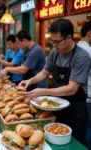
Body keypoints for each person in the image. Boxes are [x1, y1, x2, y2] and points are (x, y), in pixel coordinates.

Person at [19, 19, 91, 145]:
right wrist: (29, 81)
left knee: (74, 144)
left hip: (75, 111)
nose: (54, 45)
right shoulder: (55, 52)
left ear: (69, 38)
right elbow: (44, 73)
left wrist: (42, 91)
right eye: (52, 41)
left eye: (57, 42)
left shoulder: (81, 56)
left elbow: (71, 89)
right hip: (56, 106)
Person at [77, 21, 91, 150]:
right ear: (89, 34)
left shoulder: (76, 49)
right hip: (88, 96)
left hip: (79, 97)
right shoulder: (88, 51)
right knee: (89, 128)